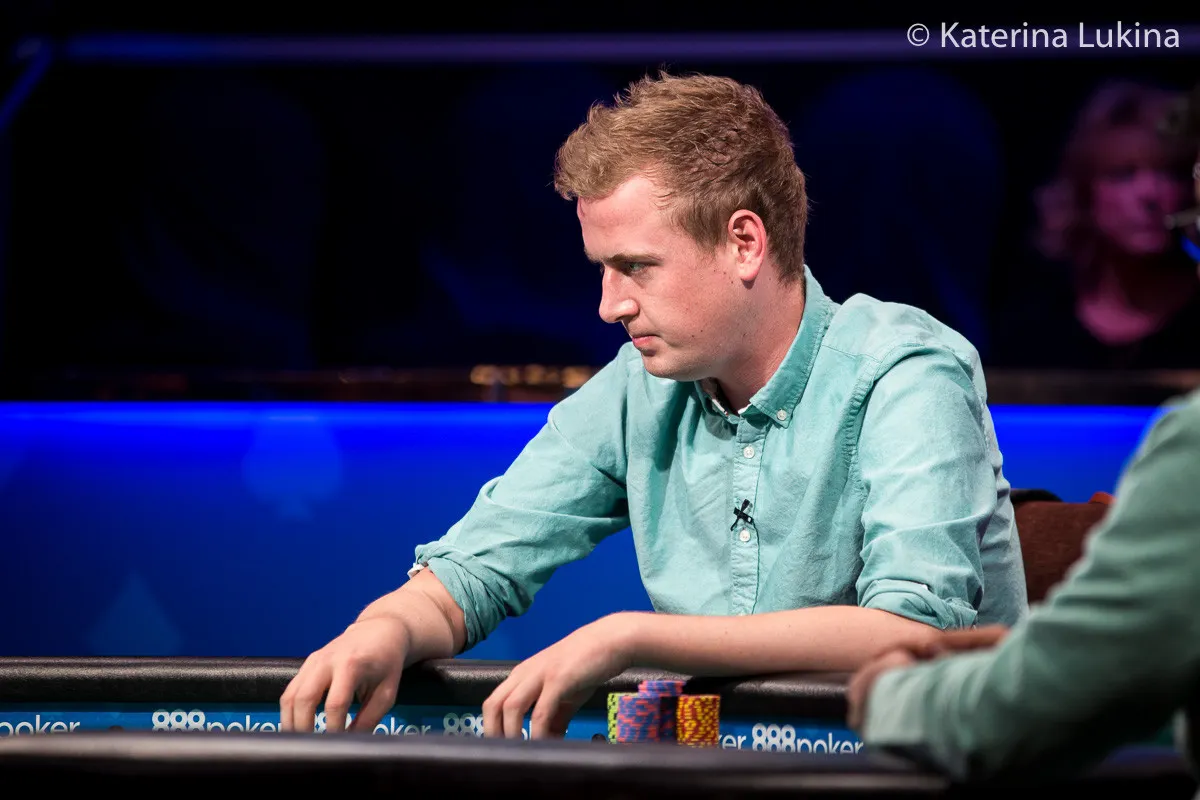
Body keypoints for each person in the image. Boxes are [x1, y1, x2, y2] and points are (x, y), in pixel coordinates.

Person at [280, 71, 1028, 739]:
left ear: (744, 243)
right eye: (603, 269)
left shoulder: (905, 371)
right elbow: (472, 575)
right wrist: (386, 626)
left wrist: (628, 638)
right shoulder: (639, 385)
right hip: (708, 766)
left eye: (636, 266)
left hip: (913, 779)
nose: (609, 305)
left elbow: (909, 630)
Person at [847, 84, 1200, 784]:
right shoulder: (1030, 315)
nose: (1159, 202)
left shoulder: (1189, 455)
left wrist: (890, 693)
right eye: (1125, 174)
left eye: (1178, 182)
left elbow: (1037, 709)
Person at [989, 80, 1200, 370]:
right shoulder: (1035, 322)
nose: (1150, 194)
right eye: (1123, 174)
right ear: (1084, 192)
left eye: (1170, 173)